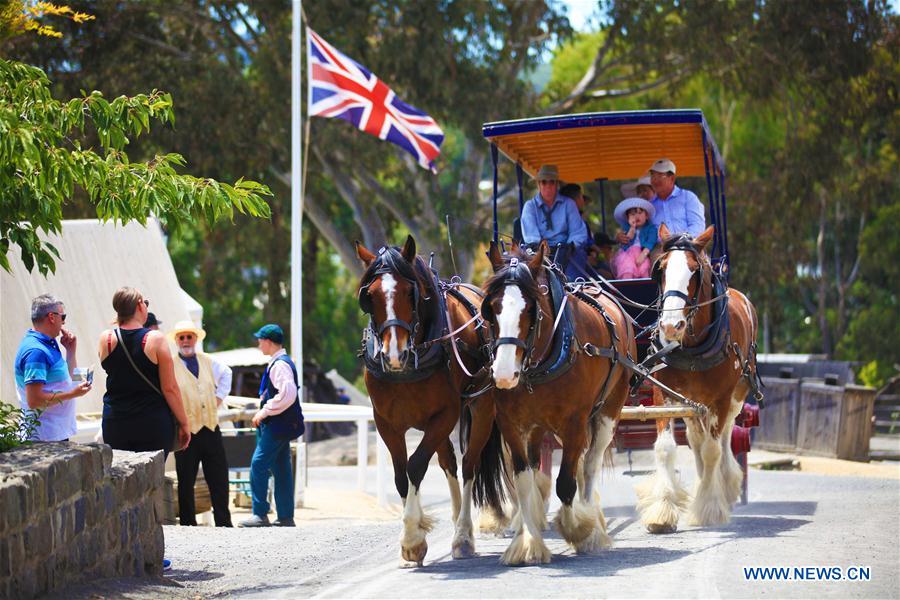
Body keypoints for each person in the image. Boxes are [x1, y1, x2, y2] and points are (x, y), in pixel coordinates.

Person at [98, 287, 191, 456]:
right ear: (140, 305)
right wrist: (184, 423)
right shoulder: (155, 339)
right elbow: (170, 388)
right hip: (152, 422)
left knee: (120, 477)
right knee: (152, 479)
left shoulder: (106, 339)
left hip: (115, 422)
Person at [169, 321, 234, 528]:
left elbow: (227, 374)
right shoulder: (170, 365)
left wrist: (218, 399)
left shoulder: (208, 361)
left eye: (189, 337)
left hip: (210, 428)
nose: (186, 341)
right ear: (177, 341)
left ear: (196, 339)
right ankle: (189, 524)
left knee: (219, 478)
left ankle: (224, 522)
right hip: (185, 431)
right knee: (186, 480)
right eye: (182, 337)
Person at [240, 324, 305, 528]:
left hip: (277, 424)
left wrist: (265, 410)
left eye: (261, 340)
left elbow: (288, 393)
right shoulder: (280, 362)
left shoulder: (279, 365)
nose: (259, 343)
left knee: (258, 465)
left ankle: (260, 513)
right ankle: (285, 516)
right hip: (282, 424)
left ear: (268, 341)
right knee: (281, 468)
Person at [14, 294, 92, 441]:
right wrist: (73, 394)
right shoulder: (36, 351)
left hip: (54, 433)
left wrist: (70, 351)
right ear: (51, 317)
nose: (64, 322)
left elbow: (67, 379)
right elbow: (34, 400)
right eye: (63, 317)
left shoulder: (46, 344)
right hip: (45, 437)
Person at [520, 165, 587, 278]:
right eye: (544, 182)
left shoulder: (568, 204)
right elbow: (531, 237)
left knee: (579, 257)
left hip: (567, 253)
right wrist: (541, 248)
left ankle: (575, 290)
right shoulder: (530, 206)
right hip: (540, 252)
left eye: (552, 182)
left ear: (557, 184)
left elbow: (578, 233)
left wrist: (570, 247)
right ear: (538, 184)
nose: (548, 186)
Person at [646, 158, 705, 237]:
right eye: (652, 176)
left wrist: (680, 240)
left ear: (672, 178)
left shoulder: (688, 197)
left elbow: (698, 226)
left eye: (660, 176)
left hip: (689, 244)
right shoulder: (649, 205)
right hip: (661, 247)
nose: (655, 180)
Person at [612, 197, 658, 279]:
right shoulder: (626, 227)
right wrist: (632, 227)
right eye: (632, 214)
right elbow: (628, 239)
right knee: (627, 267)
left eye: (640, 213)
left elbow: (650, 242)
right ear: (627, 218)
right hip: (628, 254)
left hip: (642, 252)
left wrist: (643, 255)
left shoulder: (651, 228)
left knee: (644, 267)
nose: (637, 216)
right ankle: (626, 287)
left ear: (646, 215)